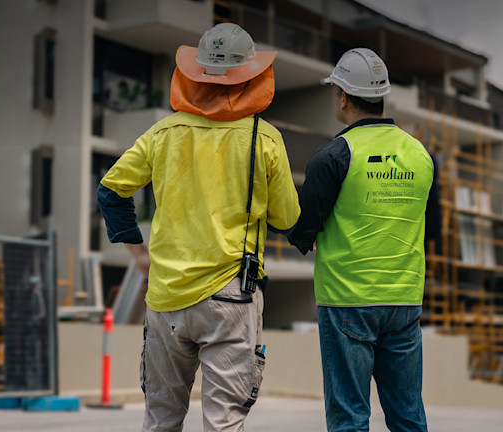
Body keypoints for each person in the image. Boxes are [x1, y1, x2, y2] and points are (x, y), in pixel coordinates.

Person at [97, 23, 299, 432]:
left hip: (166, 296)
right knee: (223, 422)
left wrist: (138, 253)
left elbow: (111, 192)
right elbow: (286, 219)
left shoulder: (163, 133)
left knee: (161, 419)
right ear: (252, 76)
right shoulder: (265, 138)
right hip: (231, 297)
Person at [287, 48, 441, 432]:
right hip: (405, 301)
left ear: (342, 97)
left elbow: (301, 230)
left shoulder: (335, 155)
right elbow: (433, 230)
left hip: (347, 301)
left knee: (350, 418)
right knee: (408, 416)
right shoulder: (421, 155)